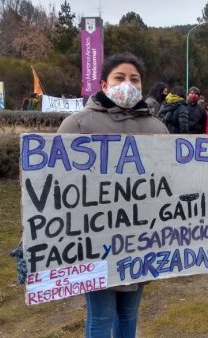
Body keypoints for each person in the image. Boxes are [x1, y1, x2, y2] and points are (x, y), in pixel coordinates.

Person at [57, 52, 168, 337]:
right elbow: (50, 187)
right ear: (104, 84)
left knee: (129, 314)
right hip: (94, 244)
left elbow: (173, 185)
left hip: (141, 241)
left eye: (135, 79)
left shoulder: (157, 129)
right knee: (101, 316)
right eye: (120, 78)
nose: (128, 84)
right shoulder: (77, 125)